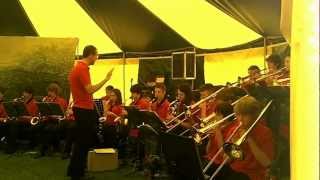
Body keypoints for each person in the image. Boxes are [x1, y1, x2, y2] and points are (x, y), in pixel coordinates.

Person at [67, 45, 114, 180]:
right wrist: (106, 79)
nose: (97, 58)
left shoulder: (77, 68)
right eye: (97, 55)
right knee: (83, 142)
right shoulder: (82, 68)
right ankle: (77, 174)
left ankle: (76, 171)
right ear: (91, 55)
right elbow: (89, 89)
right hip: (83, 110)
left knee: (83, 141)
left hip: (83, 108)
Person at [219, 96, 274, 180]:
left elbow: (266, 163)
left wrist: (250, 140)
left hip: (253, 174)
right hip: (235, 170)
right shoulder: (234, 130)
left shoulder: (265, 132)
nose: (240, 119)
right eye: (238, 115)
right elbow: (226, 160)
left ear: (254, 115)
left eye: (245, 115)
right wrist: (233, 146)